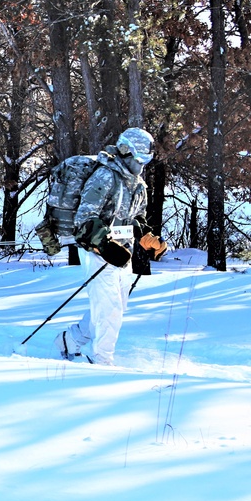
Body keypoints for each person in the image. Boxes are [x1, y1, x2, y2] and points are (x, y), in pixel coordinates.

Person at [54, 127, 168, 365]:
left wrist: (147, 238)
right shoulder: (105, 177)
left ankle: (70, 341)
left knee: (114, 307)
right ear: (125, 152)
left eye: (145, 161)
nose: (142, 166)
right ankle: (102, 361)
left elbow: (137, 218)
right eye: (139, 160)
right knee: (110, 310)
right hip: (99, 253)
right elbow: (84, 219)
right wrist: (104, 246)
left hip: (122, 253)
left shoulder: (136, 184)